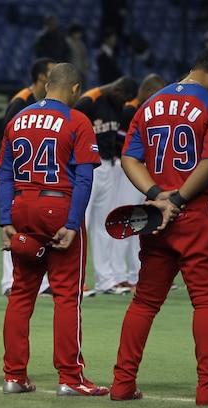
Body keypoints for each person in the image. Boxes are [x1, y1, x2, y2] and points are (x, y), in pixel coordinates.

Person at [111, 47, 208, 406]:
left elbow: (129, 157)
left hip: (155, 217)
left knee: (143, 302)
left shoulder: (151, 103)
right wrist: (178, 200)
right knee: (207, 301)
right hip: (196, 211)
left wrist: (158, 196)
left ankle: (122, 384)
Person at [0, 62, 106, 395]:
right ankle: (70, 378)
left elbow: (3, 173)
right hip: (57, 205)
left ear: (46, 86)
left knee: (21, 293)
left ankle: (14, 377)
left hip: (21, 206)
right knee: (66, 296)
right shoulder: (77, 119)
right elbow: (85, 177)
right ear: (75, 89)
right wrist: (73, 222)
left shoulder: (18, 119)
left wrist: (5, 219)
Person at [75, 76, 138, 296]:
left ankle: (105, 280)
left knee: (103, 225)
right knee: (80, 223)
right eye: (123, 97)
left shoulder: (117, 104)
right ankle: (76, 281)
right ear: (116, 87)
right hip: (86, 168)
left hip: (108, 166)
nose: (124, 102)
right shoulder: (88, 101)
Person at [0, 57, 57, 298]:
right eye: (52, 72)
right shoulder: (21, 101)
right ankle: (8, 281)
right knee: (13, 231)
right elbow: (7, 143)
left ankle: (39, 280)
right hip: (18, 177)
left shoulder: (41, 103)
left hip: (31, 178)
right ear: (42, 77)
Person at [110, 74, 166, 288]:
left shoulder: (149, 111)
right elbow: (120, 143)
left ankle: (135, 274)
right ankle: (117, 275)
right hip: (128, 169)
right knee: (126, 219)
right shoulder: (131, 109)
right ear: (148, 92)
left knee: (141, 221)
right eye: (157, 93)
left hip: (142, 170)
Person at [66, 22, 89, 89]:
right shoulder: (68, 43)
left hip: (82, 72)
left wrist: (85, 66)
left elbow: (84, 57)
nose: (79, 35)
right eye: (77, 33)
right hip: (72, 71)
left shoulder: (81, 44)